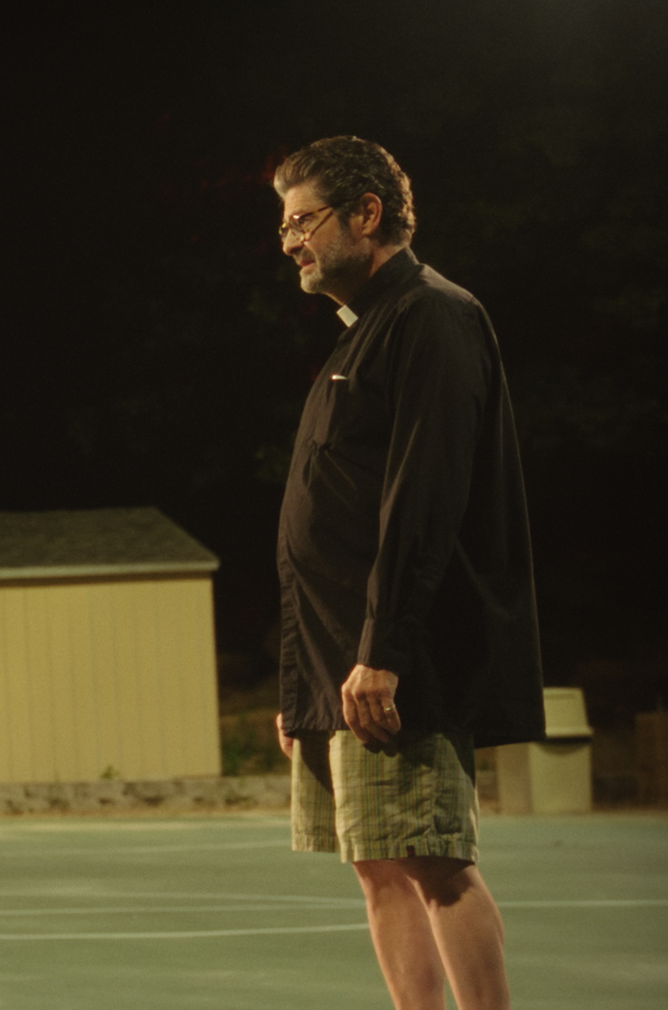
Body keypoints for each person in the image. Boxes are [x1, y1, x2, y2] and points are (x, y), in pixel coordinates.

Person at [270, 136, 545, 1010]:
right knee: (378, 864)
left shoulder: (431, 315)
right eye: (283, 225)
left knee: (435, 862)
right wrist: (301, 683)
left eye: (302, 219)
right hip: (336, 665)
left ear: (367, 214)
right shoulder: (365, 333)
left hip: (393, 660)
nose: (288, 240)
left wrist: (383, 650)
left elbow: (423, 499)